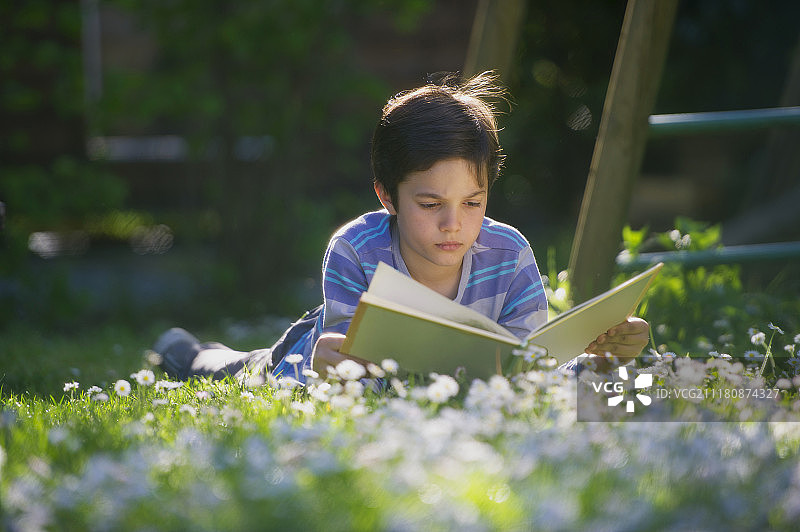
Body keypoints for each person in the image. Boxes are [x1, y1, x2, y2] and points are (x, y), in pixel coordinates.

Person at [154, 71, 649, 384]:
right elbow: (351, 372)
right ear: (386, 195)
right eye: (430, 203)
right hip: (305, 359)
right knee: (238, 371)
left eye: (473, 203)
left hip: (451, 383)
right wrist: (336, 365)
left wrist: (603, 355)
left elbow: (532, 374)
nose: (454, 224)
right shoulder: (355, 249)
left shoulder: (510, 254)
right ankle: (190, 353)